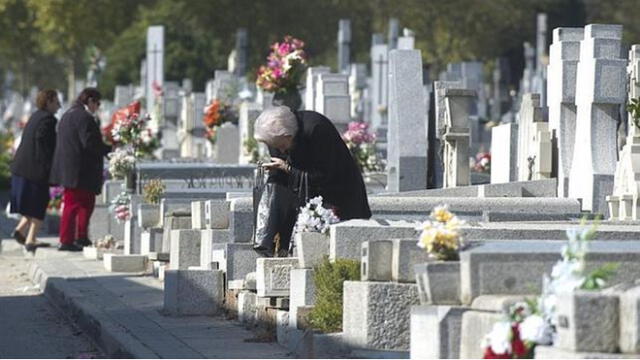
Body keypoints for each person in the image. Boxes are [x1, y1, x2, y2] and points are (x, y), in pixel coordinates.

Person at [253, 106, 372, 255]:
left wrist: (288, 169)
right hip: (302, 198)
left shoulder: (317, 129)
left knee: (340, 251)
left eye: (282, 146)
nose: (281, 151)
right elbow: (279, 177)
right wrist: (269, 231)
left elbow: (324, 175)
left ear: (288, 135)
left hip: (338, 195)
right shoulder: (277, 138)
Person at [50, 88, 111, 251]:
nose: (97, 107)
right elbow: (89, 143)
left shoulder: (68, 115)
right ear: (89, 100)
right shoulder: (84, 117)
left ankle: (81, 236)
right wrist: (108, 149)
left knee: (85, 204)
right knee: (74, 205)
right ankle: (67, 240)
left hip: (72, 169)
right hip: (80, 170)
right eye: (97, 103)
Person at [9, 89, 60, 253]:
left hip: (21, 167)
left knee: (31, 204)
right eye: (56, 101)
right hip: (35, 170)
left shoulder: (36, 115)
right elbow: (44, 144)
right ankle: (30, 239)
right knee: (39, 203)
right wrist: (50, 166)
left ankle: (20, 231)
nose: (59, 105)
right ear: (49, 101)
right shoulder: (48, 120)